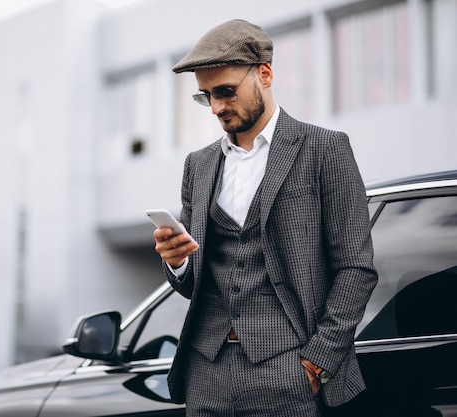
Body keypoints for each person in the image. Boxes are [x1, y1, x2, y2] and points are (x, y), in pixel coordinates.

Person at [152, 19, 378, 417]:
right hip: (206, 372)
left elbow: (355, 269)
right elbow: (193, 284)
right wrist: (178, 261)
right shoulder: (198, 165)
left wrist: (316, 363)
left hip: (290, 371)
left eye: (226, 91)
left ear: (265, 74)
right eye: (206, 97)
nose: (218, 106)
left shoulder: (324, 148)